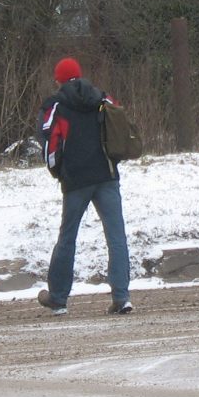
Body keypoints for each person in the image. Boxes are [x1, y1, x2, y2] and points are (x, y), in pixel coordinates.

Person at [36, 57, 133, 316]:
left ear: (58, 80)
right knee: (116, 236)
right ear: (80, 76)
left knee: (68, 237)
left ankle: (58, 299)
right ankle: (122, 297)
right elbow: (119, 125)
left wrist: (59, 172)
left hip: (76, 180)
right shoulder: (102, 98)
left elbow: (50, 143)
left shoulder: (55, 106)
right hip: (106, 175)